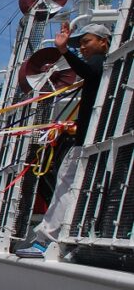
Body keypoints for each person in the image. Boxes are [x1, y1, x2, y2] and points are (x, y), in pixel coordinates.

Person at [16, 22, 111, 257]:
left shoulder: (100, 62)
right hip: (94, 139)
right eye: (79, 44)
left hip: (87, 143)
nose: (82, 47)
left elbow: (90, 71)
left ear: (103, 42)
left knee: (66, 185)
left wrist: (63, 50)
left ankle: (46, 240)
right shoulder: (106, 66)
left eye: (86, 41)